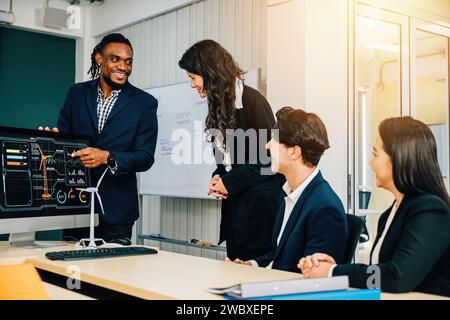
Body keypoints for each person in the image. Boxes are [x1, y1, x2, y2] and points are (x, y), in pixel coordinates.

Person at [299, 116, 450, 297]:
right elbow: (379, 272)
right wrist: (334, 268)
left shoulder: (430, 211)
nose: (371, 162)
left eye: (375, 154)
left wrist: (332, 272)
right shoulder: (390, 214)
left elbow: (396, 277)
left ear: (398, 159)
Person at [46, 33, 158, 242]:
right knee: (72, 272)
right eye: (115, 59)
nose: (123, 67)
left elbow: (145, 157)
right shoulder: (76, 94)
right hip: (75, 207)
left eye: (128, 61)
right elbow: (64, 142)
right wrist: (51, 142)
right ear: (99, 59)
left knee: (112, 272)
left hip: (117, 212)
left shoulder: (144, 103)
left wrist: (108, 157)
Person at [178, 39, 282, 260]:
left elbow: (270, 161)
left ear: (210, 72)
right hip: (236, 212)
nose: (192, 84)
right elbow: (227, 161)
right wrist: (218, 177)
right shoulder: (218, 105)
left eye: (193, 78)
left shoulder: (253, 101)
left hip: (258, 213)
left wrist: (229, 181)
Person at [229, 107, 348, 272]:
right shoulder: (288, 194)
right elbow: (277, 255)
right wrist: (252, 265)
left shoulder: (325, 208)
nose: (267, 146)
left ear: (294, 152)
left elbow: (314, 278)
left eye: (274, 140)